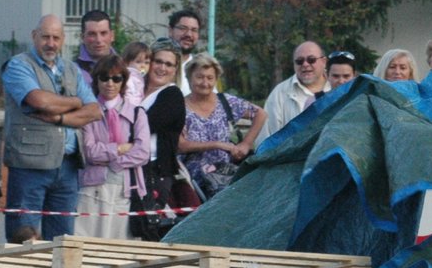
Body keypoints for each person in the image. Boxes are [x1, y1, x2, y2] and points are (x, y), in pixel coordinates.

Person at [1, 15, 102, 242]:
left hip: (68, 165)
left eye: (56, 38)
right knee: (23, 239)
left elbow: (95, 110)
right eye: (45, 37)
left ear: (63, 39)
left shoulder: (71, 69)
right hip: (29, 166)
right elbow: (39, 101)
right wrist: (76, 102)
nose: (51, 43)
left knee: (63, 242)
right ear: (34, 36)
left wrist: (59, 119)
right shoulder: (18, 65)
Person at [76, 55, 151, 240]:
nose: (110, 83)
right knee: (88, 243)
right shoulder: (88, 111)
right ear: (97, 80)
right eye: (104, 77)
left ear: (123, 81)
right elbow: (89, 152)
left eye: (116, 78)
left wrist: (115, 163)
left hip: (126, 188)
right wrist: (119, 149)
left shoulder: (137, 112)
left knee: (119, 246)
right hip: (92, 188)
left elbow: (142, 153)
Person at [136, 40, 201, 241]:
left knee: (148, 228)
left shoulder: (171, 95)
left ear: (175, 70)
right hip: (126, 167)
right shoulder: (133, 89)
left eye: (169, 64)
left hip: (155, 171)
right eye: (158, 61)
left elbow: (144, 126)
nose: (162, 68)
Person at [180, 54, 264, 199]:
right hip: (192, 184)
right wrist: (217, 144)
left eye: (210, 78)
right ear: (188, 78)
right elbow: (180, 146)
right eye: (199, 77)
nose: (205, 83)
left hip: (225, 182)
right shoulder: (179, 106)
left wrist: (245, 144)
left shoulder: (226, 101)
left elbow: (260, 114)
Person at [261, 41, 329, 138]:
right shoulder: (280, 93)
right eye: (299, 61)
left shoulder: (338, 88)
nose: (305, 64)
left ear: (324, 62)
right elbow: (266, 137)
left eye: (311, 59)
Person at [167, 8, 203, 96]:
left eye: (194, 30)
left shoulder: (202, 69)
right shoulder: (152, 64)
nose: (189, 34)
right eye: (183, 28)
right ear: (170, 31)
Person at [75, 9, 116, 77]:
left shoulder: (127, 69)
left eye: (103, 33)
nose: (98, 40)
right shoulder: (72, 72)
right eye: (92, 34)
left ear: (112, 36)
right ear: (82, 37)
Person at [120, 40, 151, 105]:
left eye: (147, 63)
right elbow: (130, 97)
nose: (143, 66)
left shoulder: (139, 78)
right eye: (138, 62)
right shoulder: (129, 78)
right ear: (126, 62)